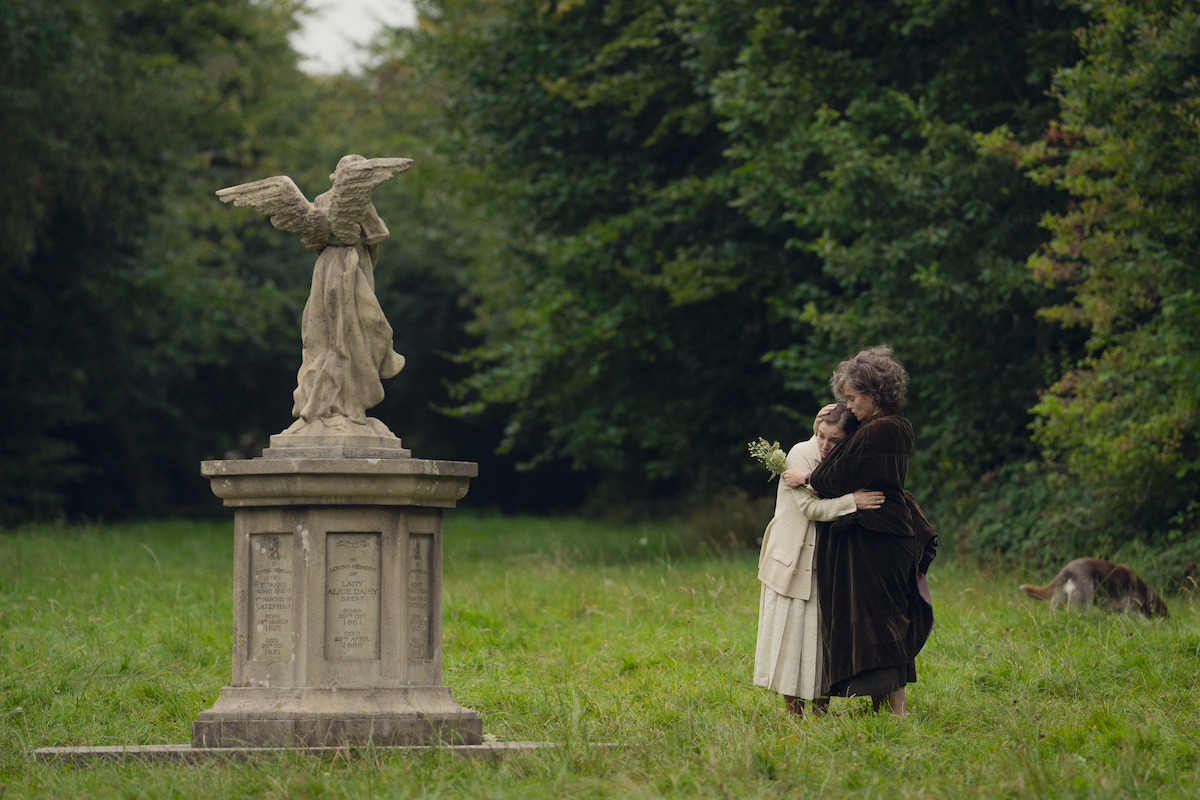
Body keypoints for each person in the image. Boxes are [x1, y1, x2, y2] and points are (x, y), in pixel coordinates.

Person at [807, 345, 936, 715]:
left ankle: (896, 711)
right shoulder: (877, 428)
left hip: (880, 539)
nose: (848, 407)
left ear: (872, 393)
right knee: (877, 619)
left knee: (884, 620)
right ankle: (884, 707)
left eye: (851, 398)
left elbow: (830, 476)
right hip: (875, 536)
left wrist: (811, 476)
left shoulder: (884, 429)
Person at [753, 405, 885, 717]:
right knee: (791, 634)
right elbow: (811, 509)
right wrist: (853, 501)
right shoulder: (800, 454)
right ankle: (793, 712)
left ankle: (820, 709)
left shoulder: (844, 461)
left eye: (835, 440)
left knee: (819, 636)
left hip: (824, 559)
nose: (825, 445)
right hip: (792, 557)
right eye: (822, 436)